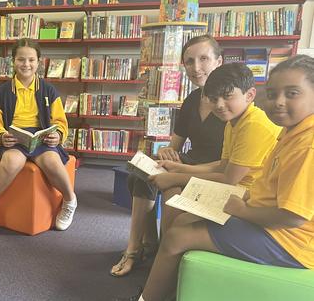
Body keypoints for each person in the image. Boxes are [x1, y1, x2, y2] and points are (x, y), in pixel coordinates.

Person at [119, 55, 314, 301]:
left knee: (179, 233)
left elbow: (292, 215)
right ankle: (168, 285)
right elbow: (224, 165)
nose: (278, 102)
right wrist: (179, 172)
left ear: (250, 95)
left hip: (288, 241)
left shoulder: (301, 143)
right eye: (273, 94)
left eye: (293, 93)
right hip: (260, 212)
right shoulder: (284, 130)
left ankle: (152, 293)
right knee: (179, 219)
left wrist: (241, 211)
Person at [111, 35, 226, 277]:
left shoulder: (230, 101)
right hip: (190, 160)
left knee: (153, 181)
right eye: (189, 61)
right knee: (140, 173)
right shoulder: (192, 99)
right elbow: (175, 144)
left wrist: (178, 167)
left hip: (213, 170)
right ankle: (144, 244)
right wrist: (165, 152)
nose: (196, 68)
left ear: (219, 61)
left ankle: (139, 248)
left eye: (204, 59)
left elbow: (232, 163)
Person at [149, 63, 281, 235]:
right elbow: (223, 165)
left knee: (177, 212)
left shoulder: (254, 124)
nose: (219, 105)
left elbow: (228, 179)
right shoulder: (232, 123)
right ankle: (157, 246)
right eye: (213, 98)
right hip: (238, 189)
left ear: (249, 95)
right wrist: (179, 168)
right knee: (171, 191)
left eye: (227, 96)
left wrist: (176, 177)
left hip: (249, 196)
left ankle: (167, 247)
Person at [0, 38, 77, 235]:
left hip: (41, 137)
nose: (26, 64)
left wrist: (57, 135)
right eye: (21, 60)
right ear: (13, 62)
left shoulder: (49, 90)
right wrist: (1, 136)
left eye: (31, 60)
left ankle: (70, 200)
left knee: (52, 162)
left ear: (38, 62)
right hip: (15, 137)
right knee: (11, 161)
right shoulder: (2, 92)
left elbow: (60, 121)